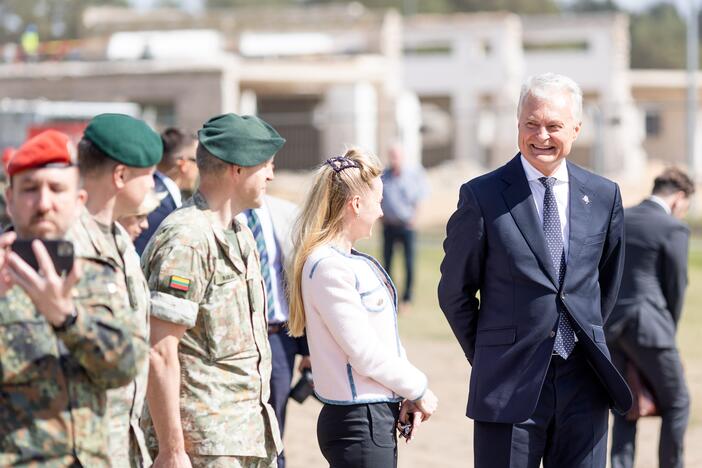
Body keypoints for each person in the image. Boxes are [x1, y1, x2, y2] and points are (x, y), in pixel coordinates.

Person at [438, 72, 632, 468]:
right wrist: (492, 353)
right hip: (509, 385)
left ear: (576, 129)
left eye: (554, 126)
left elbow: (605, 284)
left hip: (585, 382)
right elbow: (455, 291)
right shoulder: (482, 196)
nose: (541, 136)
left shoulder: (604, 195)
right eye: (531, 124)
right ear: (518, 125)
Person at [142, 113, 284, 468]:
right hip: (202, 445)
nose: (271, 175)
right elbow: (159, 350)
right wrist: (172, 449)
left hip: (244, 436)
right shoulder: (187, 238)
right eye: (265, 165)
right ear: (237, 169)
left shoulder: (239, 233)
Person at [287, 148, 438, 468]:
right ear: (355, 205)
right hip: (359, 420)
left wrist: (405, 393)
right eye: (378, 202)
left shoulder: (344, 260)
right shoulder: (329, 265)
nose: (382, 212)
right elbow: (364, 352)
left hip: (371, 416)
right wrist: (418, 387)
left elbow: (385, 343)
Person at [0, 130, 143, 466]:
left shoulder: (97, 273)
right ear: (10, 200)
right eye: (31, 189)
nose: (44, 203)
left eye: (57, 189)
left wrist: (68, 318)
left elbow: (124, 369)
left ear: (78, 202)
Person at [68, 113, 162, 468]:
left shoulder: (120, 240)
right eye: (149, 176)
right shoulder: (65, 241)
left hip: (121, 441)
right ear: (120, 176)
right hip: (77, 445)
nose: (154, 186)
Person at [606, 168, 694, 468]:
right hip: (649, 327)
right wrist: (668, 329)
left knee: (625, 406)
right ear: (679, 198)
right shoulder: (673, 228)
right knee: (678, 402)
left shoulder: (620, 218)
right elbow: (676, 287)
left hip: (610, 328)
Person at [237, 195, 311, 468]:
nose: (268, 174)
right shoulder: (223, 216)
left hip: (279, 337)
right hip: (238, 338)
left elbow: (299, 281)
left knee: (275, 420)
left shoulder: (286, 213)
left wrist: (306, 348)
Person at [134, 127, 198, 255]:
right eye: (198, 160)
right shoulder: (156, 204)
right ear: (183, 163)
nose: (201, 169)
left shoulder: (161, 196)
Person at [380, 144, 429, 310]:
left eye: (397, 156)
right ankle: (389, 294)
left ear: (402, 157)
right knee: (387, 262)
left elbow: (419, 198)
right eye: (391, 155)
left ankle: (407, 298)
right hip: (389, 226)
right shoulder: (383, 177)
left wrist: (415, 218)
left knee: (408, 263)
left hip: (407, 226)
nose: (394, 159)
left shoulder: (412, 176)